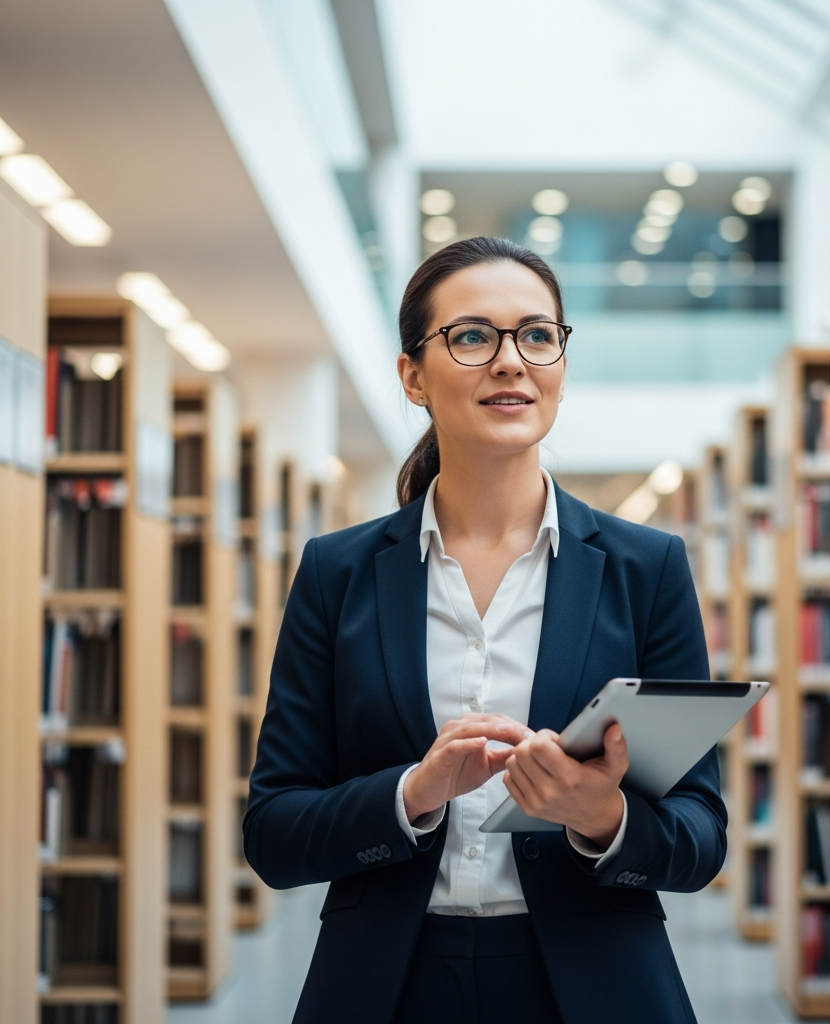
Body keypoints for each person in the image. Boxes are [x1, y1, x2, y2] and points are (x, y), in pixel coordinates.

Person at [244, 236, 727, 1024]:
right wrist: (413, 793)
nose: (511, 361)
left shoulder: (647, 569)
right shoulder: (338, 573)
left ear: (561, 366)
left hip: (593, 983)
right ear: (412, 376)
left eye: (537, 335)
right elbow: (273, 833)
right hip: (390, 985)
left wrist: (598, 815)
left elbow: (700, 837)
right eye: (472, 336)